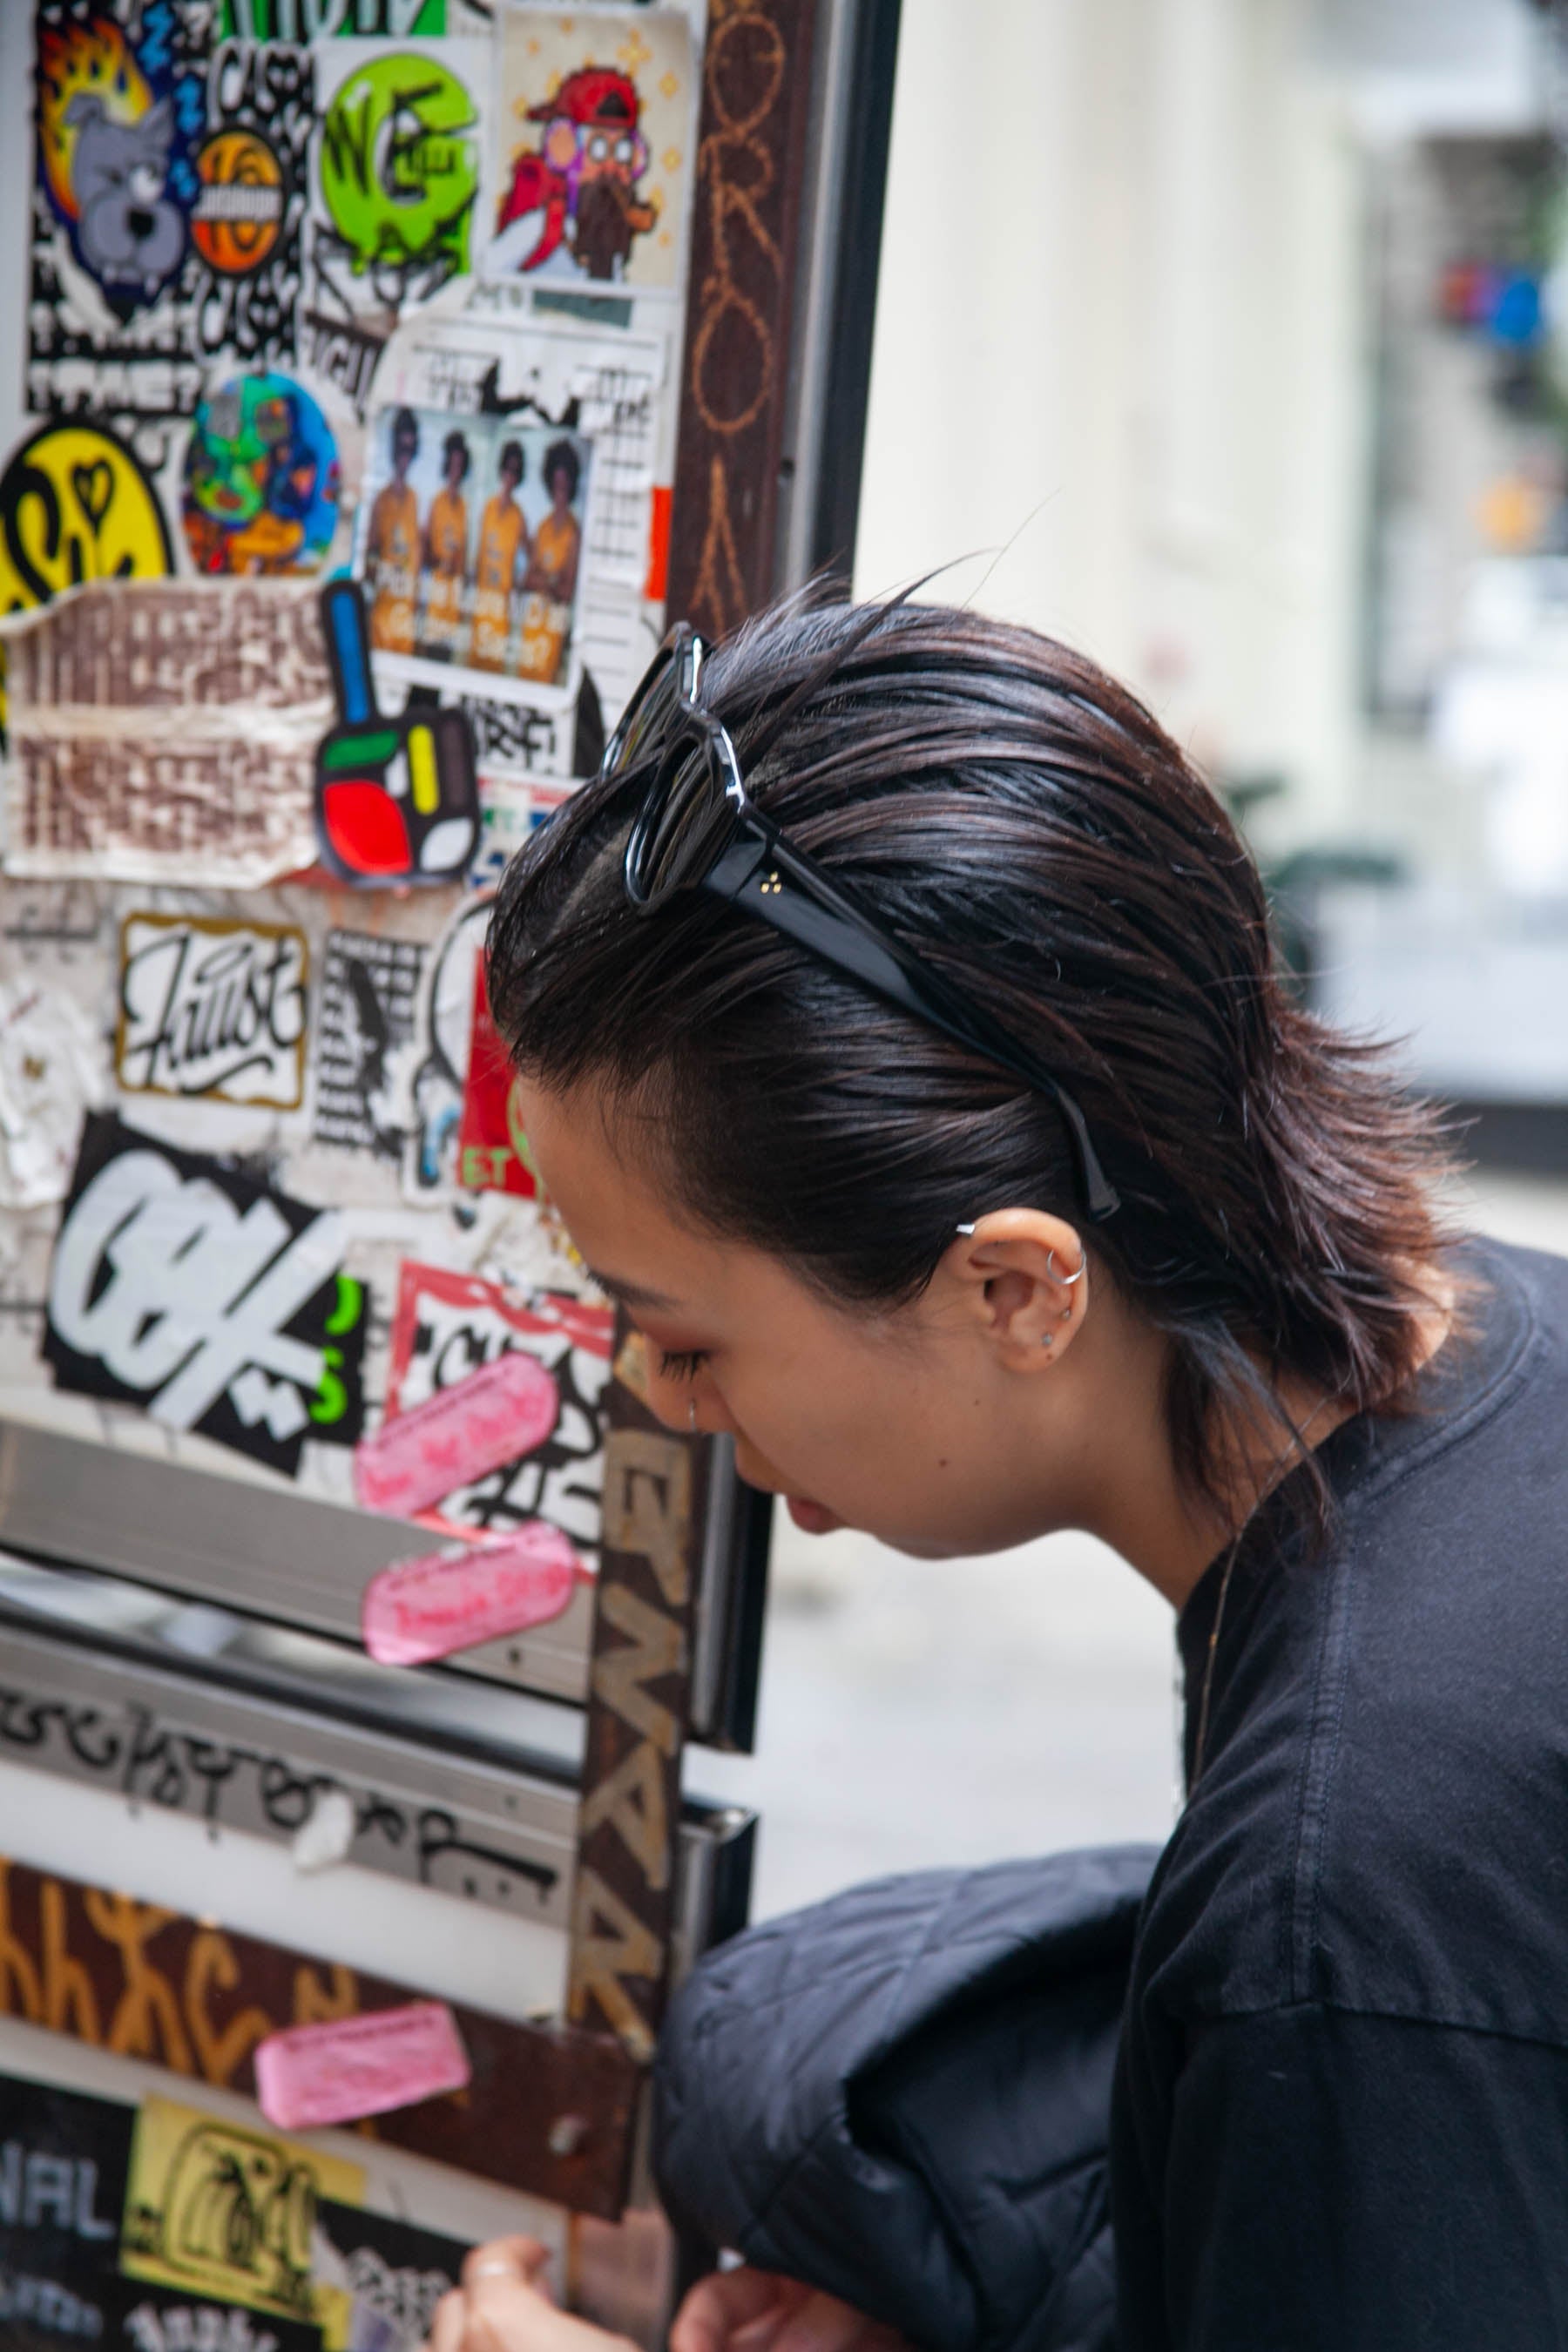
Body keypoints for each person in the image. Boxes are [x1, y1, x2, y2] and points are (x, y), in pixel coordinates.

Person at [427, 594, 1568, 2350]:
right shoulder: (1488, 1328)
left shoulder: (1333, 1905)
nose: (660, 1401)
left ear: (1018, 1288)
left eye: (687, 1335)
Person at [517, 437, 582, 686]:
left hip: (553, 634)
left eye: (564, 487)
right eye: (556, 487)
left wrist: (543, 580)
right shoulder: (543, 527)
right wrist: (551, 580)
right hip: (531, 627)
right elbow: (526, 579)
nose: (560, 495)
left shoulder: (573, 533)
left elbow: (566, 592)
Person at [470, 437, 529, 672]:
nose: (510, 476)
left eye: (515, 472)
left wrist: (520, 581)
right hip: (480, 605)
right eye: (507, 469)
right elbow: (478, 557)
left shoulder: (519, 518)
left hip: (501, 611)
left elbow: (530, 557)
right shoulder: (488, 508)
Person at [366, 406, 421, 654]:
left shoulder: (415, 501)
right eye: (401, 448)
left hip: (406, 620)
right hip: (382, 616)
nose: (404, 457)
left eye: (409, 450)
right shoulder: (381, 501)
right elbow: (369, 556)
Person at [420, 429, 470, 660]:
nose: (455, 472)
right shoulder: (436, 503)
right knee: (430, 655)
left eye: (460, 466)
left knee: (446, 656)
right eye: (452, 465)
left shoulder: (464, 509)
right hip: (435, 598)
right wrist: (439, 560)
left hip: (454, 602)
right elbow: (425, 552)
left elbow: (464, 557)